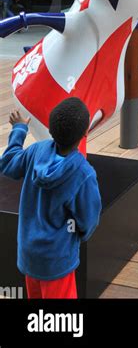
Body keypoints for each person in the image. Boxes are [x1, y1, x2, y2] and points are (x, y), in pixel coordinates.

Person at [0, 98, 102, 299]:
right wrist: (76, 237)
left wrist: (19, 129)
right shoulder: (83, 174)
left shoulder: (37, 151)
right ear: (84, 133)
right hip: (57, 261)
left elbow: (9, 163)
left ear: (51, 128)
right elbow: (88, 221)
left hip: (29, 255)